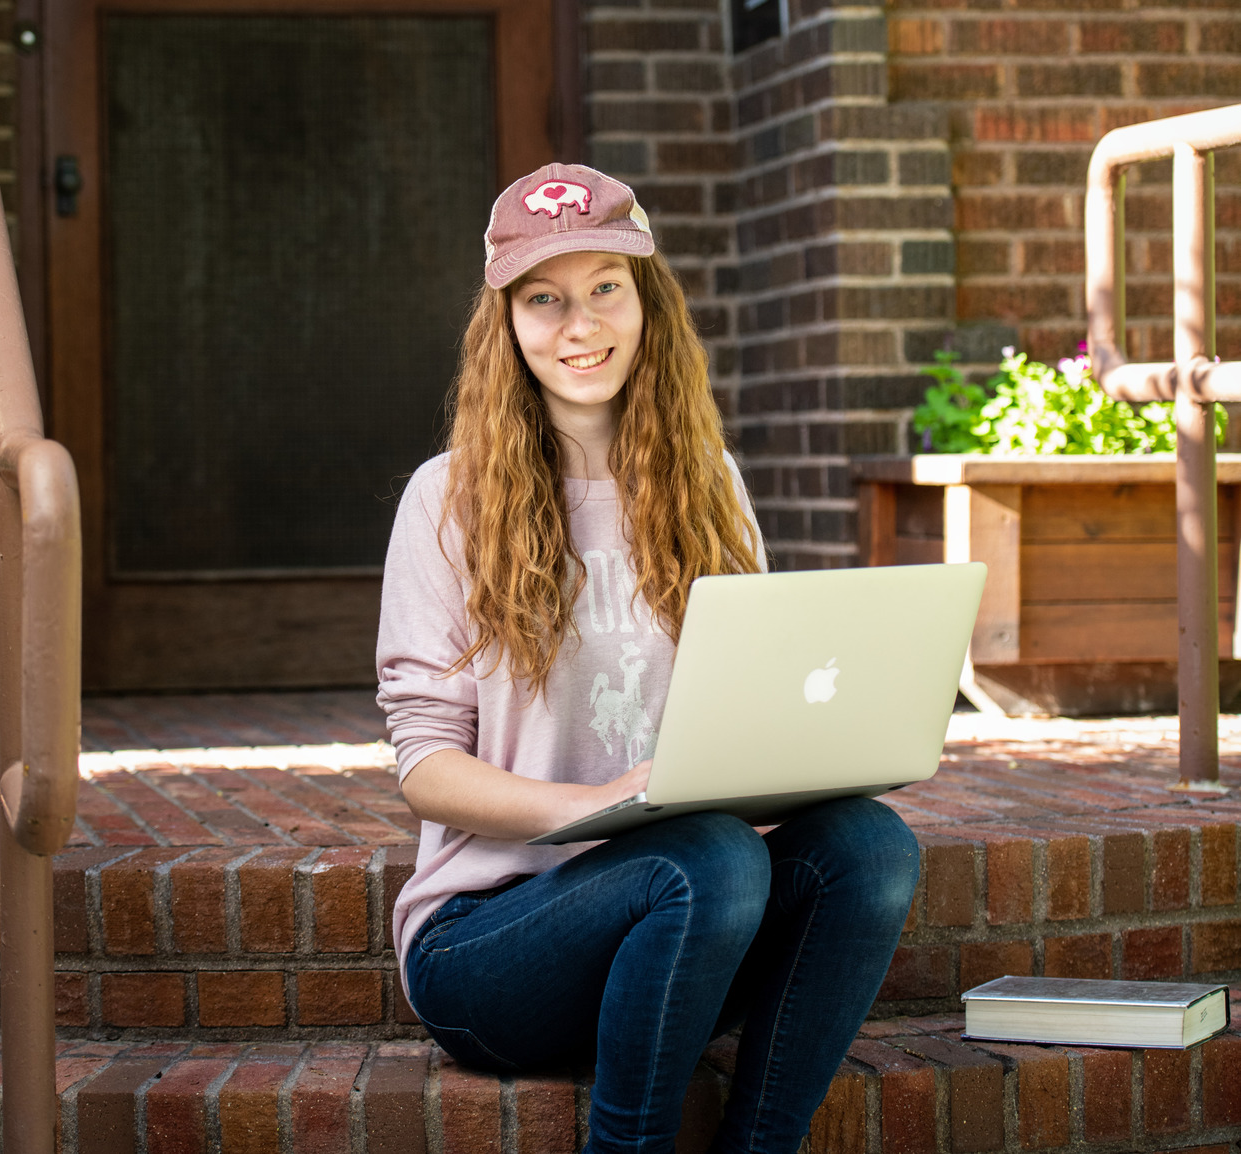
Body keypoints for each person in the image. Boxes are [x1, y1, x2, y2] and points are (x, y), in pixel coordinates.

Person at [376, 163, 919, 1154]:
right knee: (702, 855)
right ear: (505, 322)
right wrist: (594, 808)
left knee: (869, 844)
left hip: (690, 923)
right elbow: (426, 769)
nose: (578, 324)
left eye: (603, 289)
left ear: (647, 301)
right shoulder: (445, 498)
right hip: (490, 947)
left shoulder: (708, 481)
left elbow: (750, 704)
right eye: (545, 298)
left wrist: (811, 755)